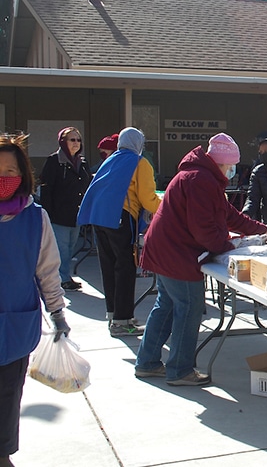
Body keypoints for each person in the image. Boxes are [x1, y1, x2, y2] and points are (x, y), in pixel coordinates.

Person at [135, 133, 267, 386]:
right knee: (188, 309)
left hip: (165, 249)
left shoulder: (201, 176)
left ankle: (147, 362)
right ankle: (180, 370)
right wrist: (228, 246)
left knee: (166, 306)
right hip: (177, 255)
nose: (232, 171)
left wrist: (262, 229)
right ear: (222, 163)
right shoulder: (200, 180)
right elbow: (203, 229)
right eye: (231, 166)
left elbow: (228, 215)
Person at [0, 132, 70, 467]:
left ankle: (3, 454)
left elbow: (47, 269)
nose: (4, 178)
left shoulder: (34, 216)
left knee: (8, 395)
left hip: (15, 325)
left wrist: (57, 312)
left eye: (11, 171)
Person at [77, 127, 161, 337]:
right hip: (120, 217)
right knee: (125, 268)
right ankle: (123, 322)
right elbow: (146, 197)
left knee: (108, 266)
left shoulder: (112, 159)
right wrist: (165, 206)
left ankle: (114, 315)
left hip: (99, 218)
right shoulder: (139, 162)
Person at [38, 127, 91, 290]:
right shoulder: (54, 161)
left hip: (76, 215)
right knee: (61, 248)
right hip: (58, 215)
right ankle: (62, 279)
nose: (76, 143)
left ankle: (65, 276)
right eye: (72, 140)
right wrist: (47, 213)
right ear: (63, 142)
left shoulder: (82, 163)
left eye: (78, 140)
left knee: (70, 247)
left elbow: (87, 186)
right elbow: (46, 189)